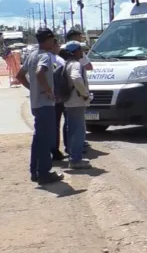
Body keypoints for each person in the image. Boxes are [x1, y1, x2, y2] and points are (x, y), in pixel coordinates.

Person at [14, 28, 64, 185]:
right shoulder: (45, 56)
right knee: (45, 139)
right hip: (45, 104)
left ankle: (35, 172)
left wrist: (33, 88)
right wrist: (48, 91)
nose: (54, 43)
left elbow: (19, 76)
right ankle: (44, 173)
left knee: (38, 139)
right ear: (47, 40)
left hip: (36, 104)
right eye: (53, 40)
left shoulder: (31, 55)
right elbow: (39, 73)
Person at [62, 42, 93, 169]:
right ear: (75, 52)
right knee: (79, 132)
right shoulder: (75, 64)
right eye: (81, 50)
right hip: (77, 101)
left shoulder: (67, 64)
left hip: (69, 102)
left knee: (72, 130)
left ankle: (73, 157)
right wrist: (85, 93)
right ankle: (76, 160)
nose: (83, 53)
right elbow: (76, 78)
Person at [51, 40, 68, 161]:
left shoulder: (37, 58)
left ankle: (53, 150)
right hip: (60, 98)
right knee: (67, 123)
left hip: (47, 98)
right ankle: (67, 148)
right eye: (57, 45)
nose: (59, 47)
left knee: (53, 126)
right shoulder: (58, 60)